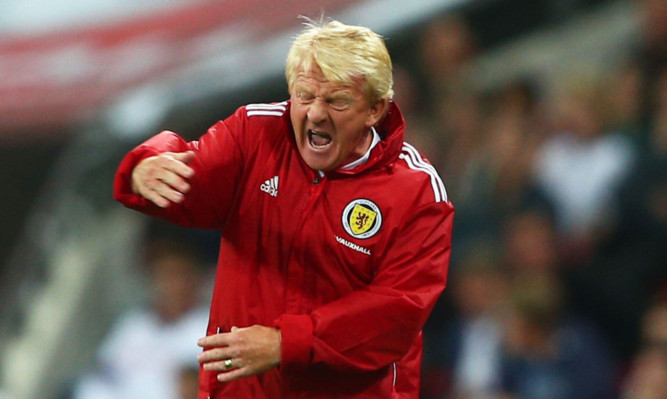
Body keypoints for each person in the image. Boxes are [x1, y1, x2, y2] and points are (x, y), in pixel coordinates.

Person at [113, 17, 455, 399]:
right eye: (305, 96)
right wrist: (147, 164)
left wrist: (284, 343)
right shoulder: (255, 134)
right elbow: (189, 170)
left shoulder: (417, 192)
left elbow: (395, 315)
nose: (315, 113)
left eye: (337, 100)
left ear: (376, 109)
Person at [71, 237, 210, 399]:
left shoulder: (205, 325)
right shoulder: (134, 325)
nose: (171, 286)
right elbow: (100, 374)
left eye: (178, 275)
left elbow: (193, 388)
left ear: (194, 279)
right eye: (164, 276)